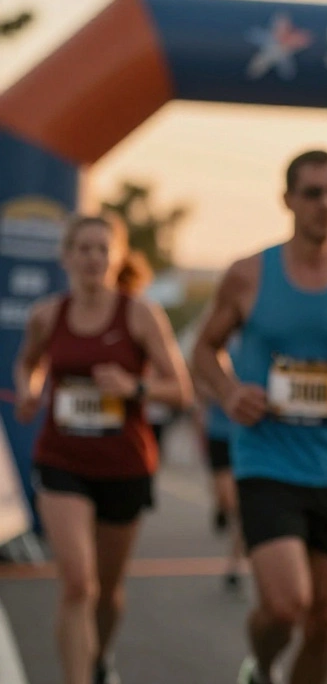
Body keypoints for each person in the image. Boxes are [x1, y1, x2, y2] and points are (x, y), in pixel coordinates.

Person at [191, 149, 327, 684]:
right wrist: (228, 393)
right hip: (267, 459)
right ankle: (263, 665)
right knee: (288, 604)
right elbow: (202, 351)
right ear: (287, 199)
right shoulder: (248, 274)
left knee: (324, 619)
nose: (325, 204)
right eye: (312, 193)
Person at [14, 213, 193, 684]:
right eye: (84, 248)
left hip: (123, 463)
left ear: (117, 257)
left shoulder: (139, 313)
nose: (93, 257)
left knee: (108, 590)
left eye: (102, 248)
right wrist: (30, 391)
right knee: (77, 583)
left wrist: (133, 387)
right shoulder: (47, 314)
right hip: (62, 460)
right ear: (67, 256)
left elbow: (181, 389)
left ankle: (99, 659)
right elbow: (27, 365)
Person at [193, 327, 247, 591]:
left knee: (242, 504)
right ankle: (221, 509)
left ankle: (234, 565)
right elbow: (200, 383)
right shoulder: (220, 342)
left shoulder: (263, 343)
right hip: (220, 432)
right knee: (227, 497)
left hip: (249, 434)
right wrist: (224, 392)